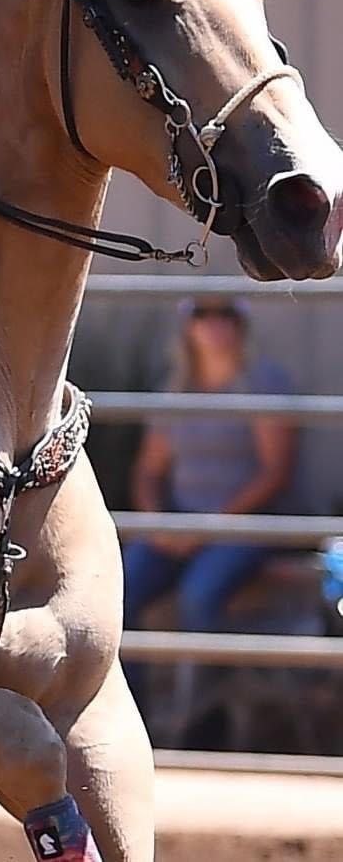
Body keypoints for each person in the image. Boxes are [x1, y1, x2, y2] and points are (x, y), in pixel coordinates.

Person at [122, 297, 298, 719]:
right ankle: (132, 713)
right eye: (203, 314)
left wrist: (207, 527)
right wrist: (156, 521)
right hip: (177, 525)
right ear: (188, 327)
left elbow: (275, 473)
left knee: (199, 596)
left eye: (226, 315)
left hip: (245, 528)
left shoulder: (263, 383)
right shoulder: (176, 388)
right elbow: (148, 470)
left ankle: (203, 718)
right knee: (121, 589)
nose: (215, 324)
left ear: (241, 325)